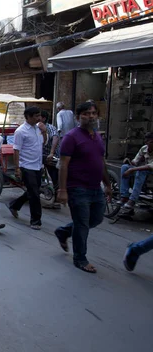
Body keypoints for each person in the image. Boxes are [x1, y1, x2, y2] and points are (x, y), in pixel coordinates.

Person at [54, 102, 112, 274]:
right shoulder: (71, 137)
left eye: (94, 113)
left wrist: (108, 184)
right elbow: (64, 165)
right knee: (82, 224)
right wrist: (62, 190)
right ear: (78, 117)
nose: (91, 116)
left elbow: (101, 162)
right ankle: (80, 258)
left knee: (96, 219)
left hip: (96, 187)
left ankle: (63, 232)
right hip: (77, 187)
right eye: (87, 113)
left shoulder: (97, 136)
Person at [8, 107, 48, 230]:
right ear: (29, 117)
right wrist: (17, 168)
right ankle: (36, 220)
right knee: (34, 194)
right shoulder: (20, 131)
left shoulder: (38, 129)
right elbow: (16, 150)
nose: (39, 118)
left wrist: (45, 132)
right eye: (36, 116)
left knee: (34, 191)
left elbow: (44, 143)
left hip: (37, 165)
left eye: (39, 115)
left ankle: (14, 205)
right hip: (26, 165)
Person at [118, 132, 153, 215]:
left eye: (150, 141)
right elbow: (135, 162)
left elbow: (149, 166)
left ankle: (132, 200)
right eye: (147, 141)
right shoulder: (144, 148)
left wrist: (132, 170)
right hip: (145, 170)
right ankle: (124, 196)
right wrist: (128, 161)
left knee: (140, 171)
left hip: (149, 170)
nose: (147, 143)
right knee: (124, 167)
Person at [40, 110, 61, 208]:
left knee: (55, 177)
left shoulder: (50, 127)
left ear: (43, 118)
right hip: (40, 155)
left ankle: (57, 201)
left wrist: (52, 152)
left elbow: (56, 137)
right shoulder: (35, 128)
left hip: (50, 156)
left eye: (38, 116)